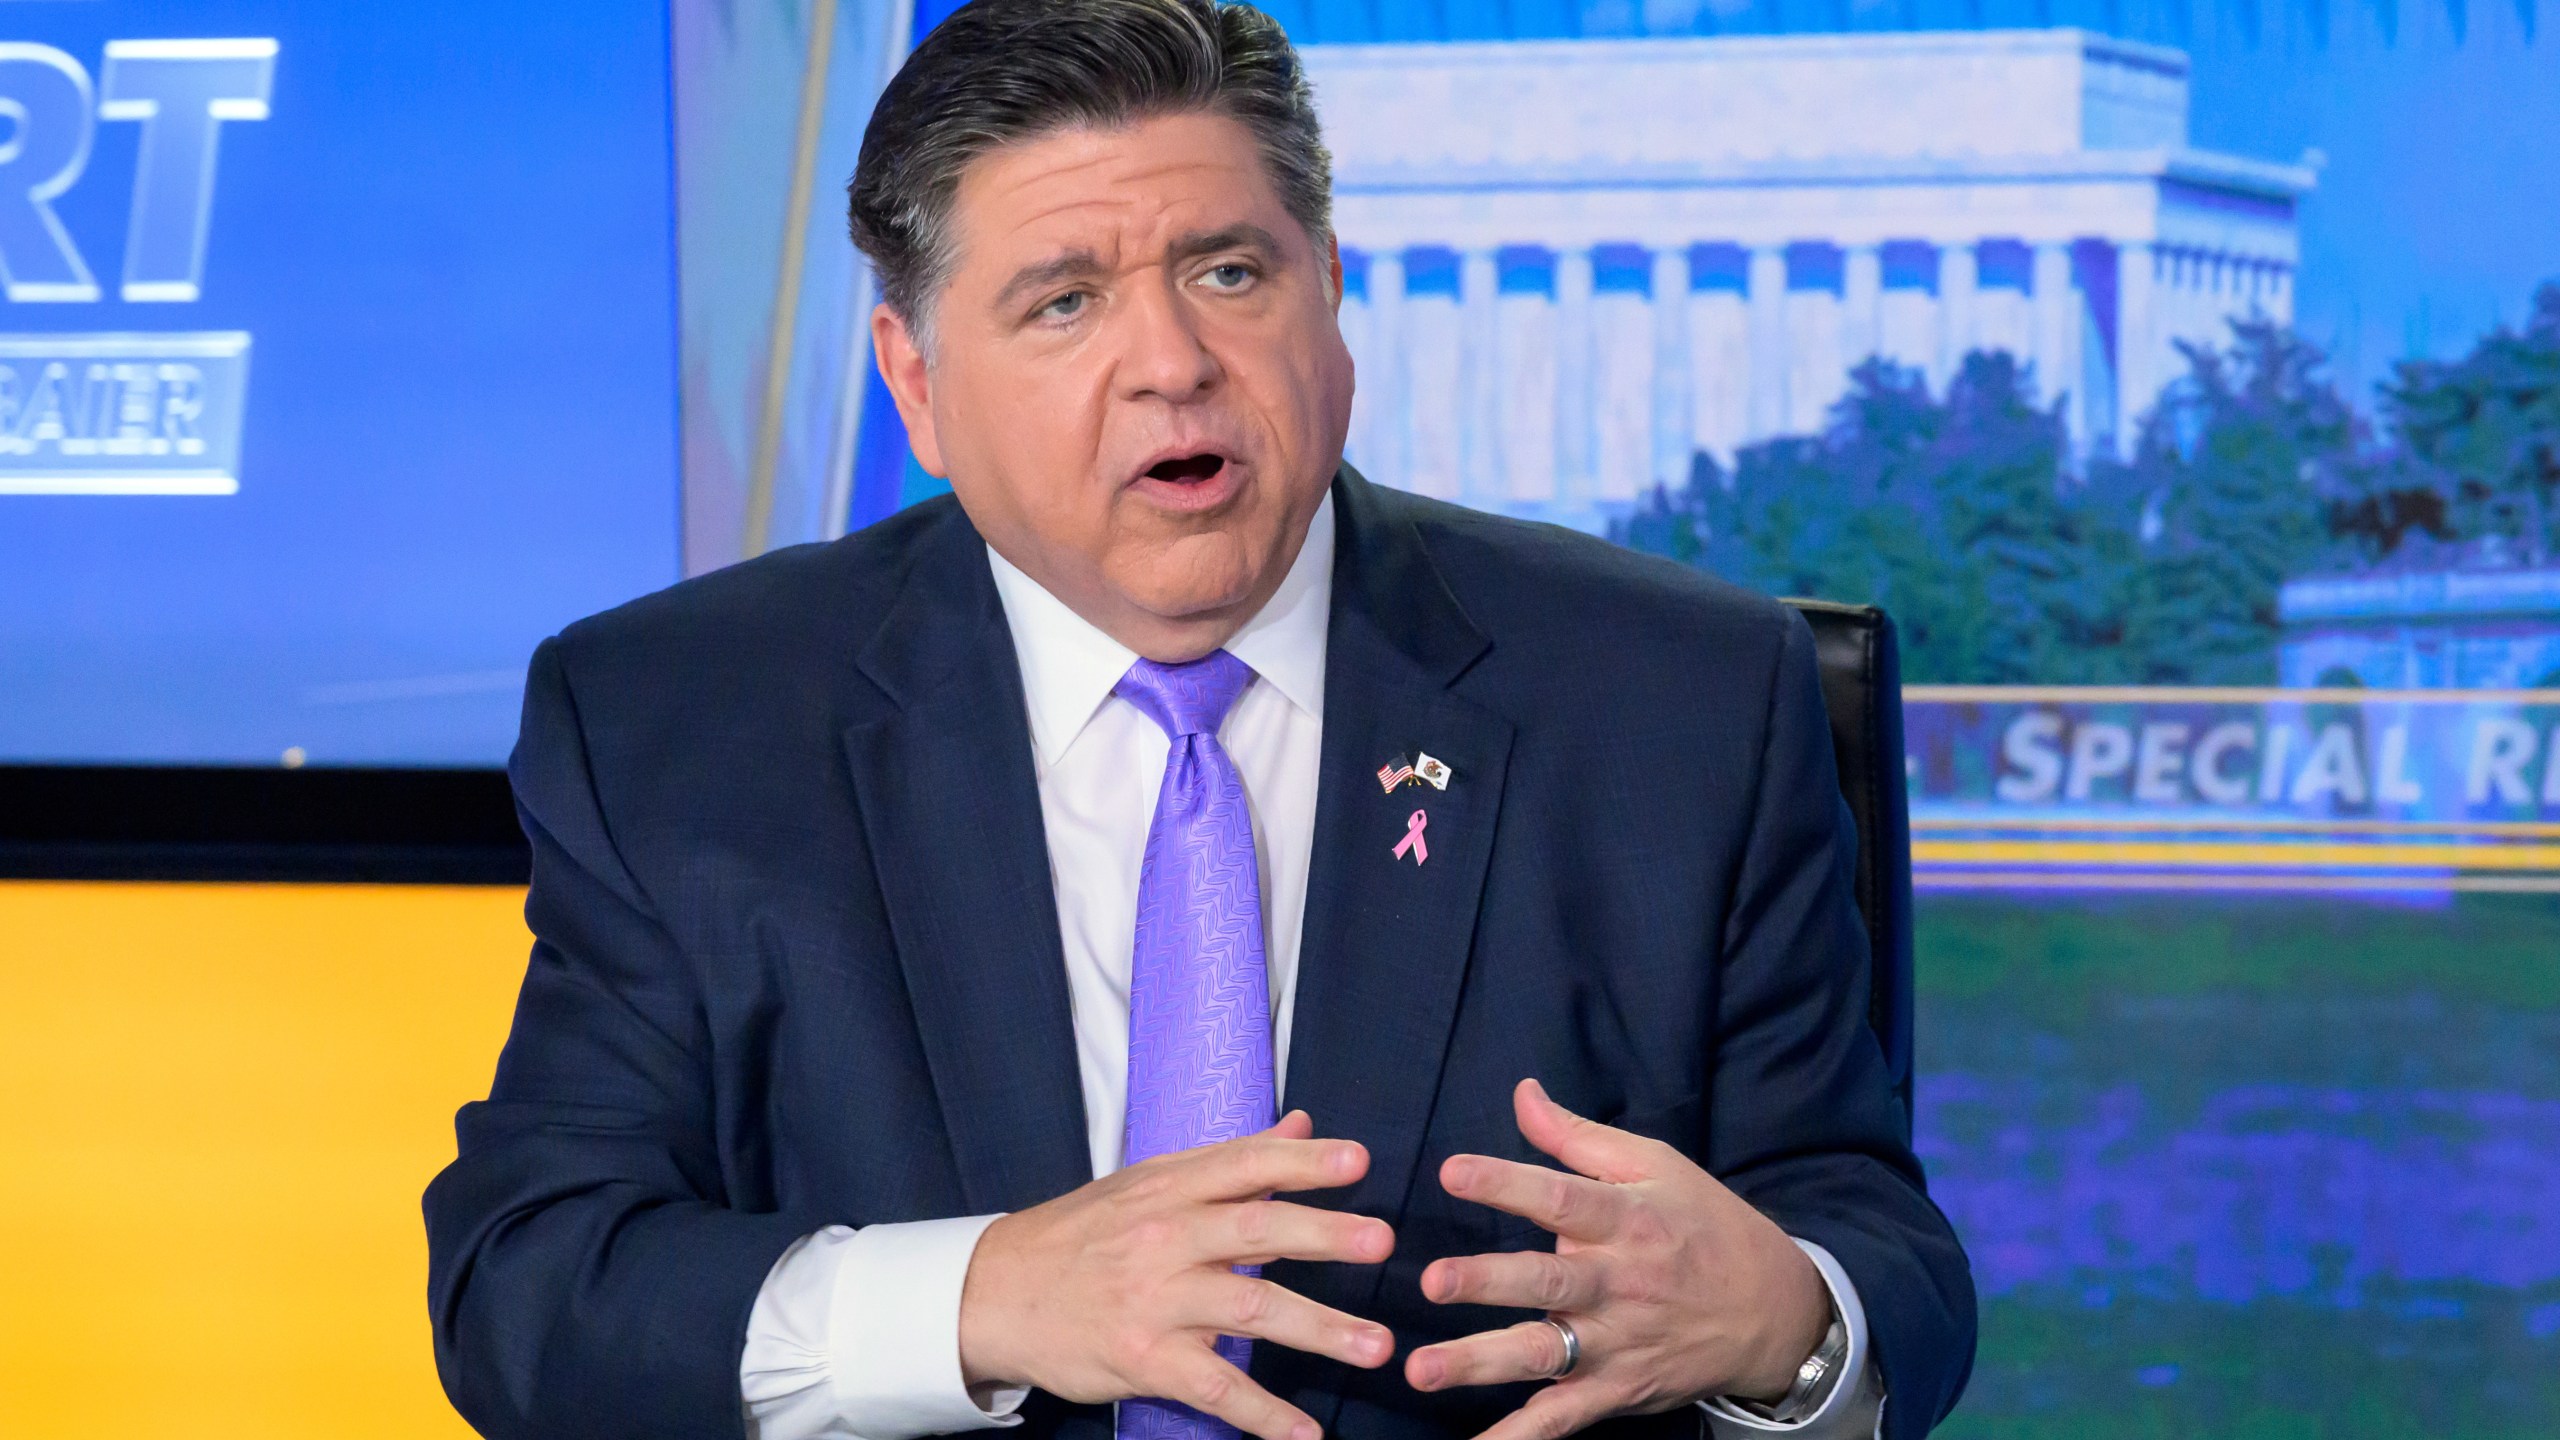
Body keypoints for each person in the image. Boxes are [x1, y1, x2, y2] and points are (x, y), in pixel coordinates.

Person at [423, 2, 1975, 1438]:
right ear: (915, 380)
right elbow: (530, 1289)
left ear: (1333, 295)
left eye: (1231, 271)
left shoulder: (1682, 702)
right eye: (1065, 301)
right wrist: (982, 1298)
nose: (1172, 363)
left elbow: (1868, 1239)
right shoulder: (679, 725)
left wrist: (1790, 1323)